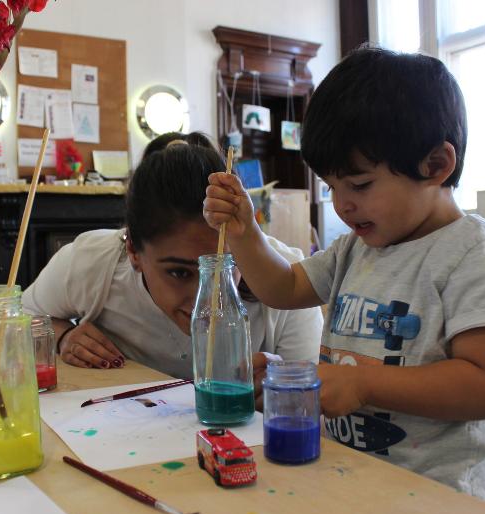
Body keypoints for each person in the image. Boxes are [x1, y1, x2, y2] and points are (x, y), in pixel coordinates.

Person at [203, 46, 485, 500]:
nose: (341, 204)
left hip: (435, 498)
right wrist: (245, 232)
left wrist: (363, 383)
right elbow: (283, 287)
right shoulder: (355, 248)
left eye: (359, 185)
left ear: (436, 165)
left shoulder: (471, 254)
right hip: (348, 477)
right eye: (331, 187)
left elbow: (482, 382)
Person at [22, 137, 323, 408]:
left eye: (227, 268)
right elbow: (16, 320)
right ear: (133, 252)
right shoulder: (92, 261)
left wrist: (285, 386)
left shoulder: (288, 277)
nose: (206, 300)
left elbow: (317, 402)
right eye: (179, 273)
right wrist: (63, 337)